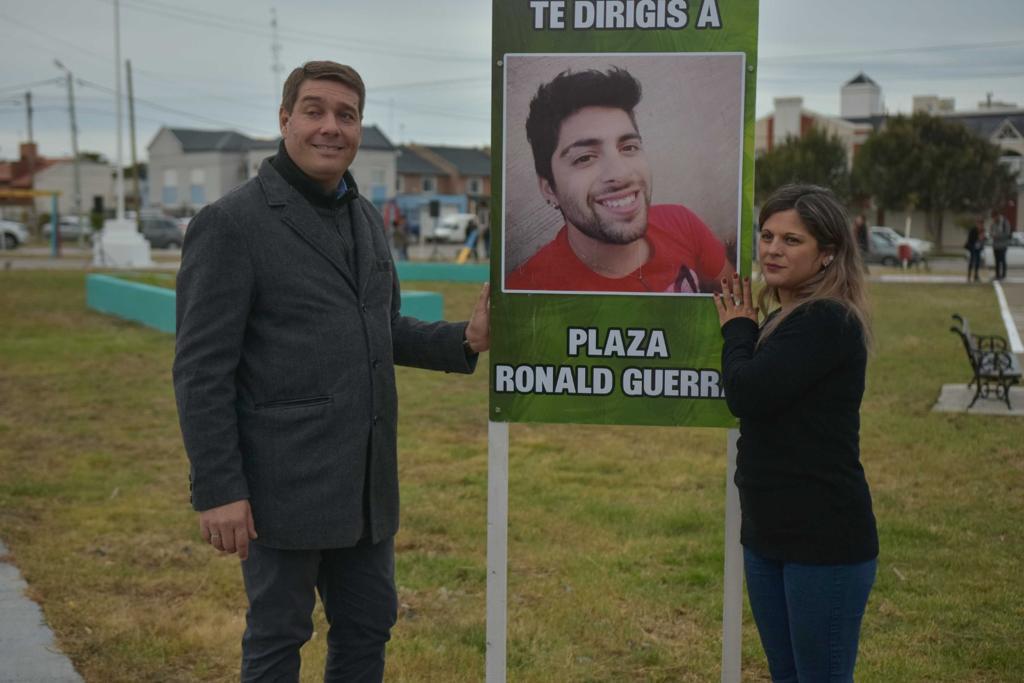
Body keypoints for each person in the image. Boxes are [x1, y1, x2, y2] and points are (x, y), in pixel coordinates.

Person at [173, 60, 490, 682]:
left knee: (369, 626)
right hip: (278, 489)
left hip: (366, 488)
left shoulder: (364, 216)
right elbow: (200, 370)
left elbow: (383, 326)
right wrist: (219, 489)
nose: (330, 127)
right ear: (284, 119)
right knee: (278, 637)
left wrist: (466, 339)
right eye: (314, 110)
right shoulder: (231, 224)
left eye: (346, 115)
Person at [714, 184, 878, 682]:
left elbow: (748, 393)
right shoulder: (785, 315)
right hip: (770, 534)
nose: (772, 250)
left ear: (827, 253)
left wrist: (738, 329)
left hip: (821, 539)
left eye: (792, 240)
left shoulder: (828, 320)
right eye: (767, 236)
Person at [506, 67, 733, 293]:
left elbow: (739, 306)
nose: (621, 174)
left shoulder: (682, 224)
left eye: (628, 147)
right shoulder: (527, 289)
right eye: (585, 158)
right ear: (549, 189)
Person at [989, 209, 1011, 281]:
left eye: (994, 217)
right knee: (997, 260)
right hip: (995, 245)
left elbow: (1007, 233)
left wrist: (997, 236)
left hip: (1003, 245)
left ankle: (1003, 275)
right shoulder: (993, 223)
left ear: (997, 215)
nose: (993, 219)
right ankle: (997, 275)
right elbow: (991, 232)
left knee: (1002, 260)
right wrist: (992, 235)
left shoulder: (1005, 222)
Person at [965, 218, 985, 283]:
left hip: (979, 248)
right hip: (973, 248)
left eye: (981, 224)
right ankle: (969, 276)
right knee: (971, 261)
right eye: (979, 224)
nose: (980, 225)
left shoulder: (982, 230)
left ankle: (976, 276)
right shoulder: (973, 230)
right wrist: (978, 237)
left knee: (977, 262)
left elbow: (983, 239)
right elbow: (970, 239)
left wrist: (983, 238)